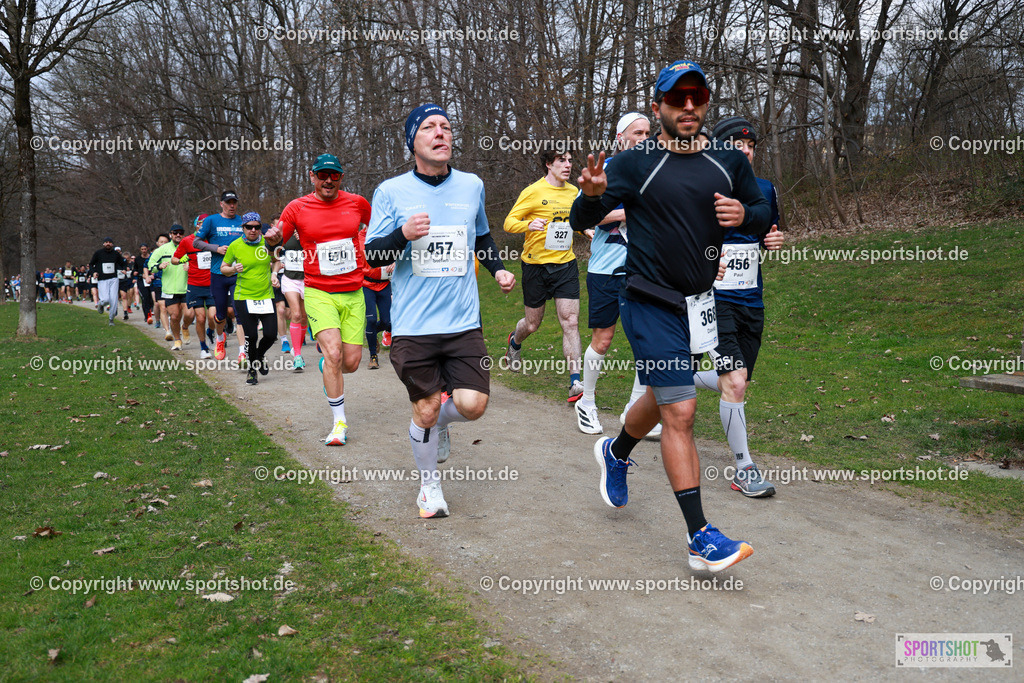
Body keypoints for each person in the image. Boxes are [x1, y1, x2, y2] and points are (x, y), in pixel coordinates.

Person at [569, 60, 772, 573]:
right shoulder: (635, 163)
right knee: (681, 410)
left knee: (664, 400)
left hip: (702, 304)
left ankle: (615, 452)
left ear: (706, 103)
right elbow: (583, 219)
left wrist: (746, 216)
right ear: (657, 104)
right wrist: (591, 196)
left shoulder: (729, 161)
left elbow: (762, 208)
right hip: (647, 300)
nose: (688, 106)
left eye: (696, 98)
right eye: (677, 98)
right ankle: (700, 538)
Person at [365, 103, 516, 518]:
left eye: (446, 126)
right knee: (426, 407)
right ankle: (429, 486)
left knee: (473, 405)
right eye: (429, 127)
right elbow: (373, 252)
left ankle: (441, 424)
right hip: (414, 325)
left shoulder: (471, 185)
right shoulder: (391, 191)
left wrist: (499, 270)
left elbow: (481, 235)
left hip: (463, 321)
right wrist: (403, 233)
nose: (440, 133)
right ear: (413, 142)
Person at [685, 116, 786, 498]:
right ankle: (744, 468)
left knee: (738, 382)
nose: (745, 151)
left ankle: (671, 381)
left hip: (751, 299)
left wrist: (772, 243)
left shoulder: (764, 189)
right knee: (736, 381)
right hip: (713, 298)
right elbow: (685, 240)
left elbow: (768, 233)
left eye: (751, 146)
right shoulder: (703, 190)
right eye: (737, 146)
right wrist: (706, 261)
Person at [264, 154, 370, 445]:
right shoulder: (297, 207)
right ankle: (339, 424)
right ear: (312, 176)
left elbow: (376, 231)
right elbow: (276, 239)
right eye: (322, 175)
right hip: (319, 292)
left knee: (351, 362)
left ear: (341, 177)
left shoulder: (358, 204)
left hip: (353, 293)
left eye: (334, 175)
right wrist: (272, 238)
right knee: (333, 353)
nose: (328, 180)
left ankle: (328, 369)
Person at [574, 112, 661, 437]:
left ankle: (634, 408)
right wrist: (628, 212)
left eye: (648, 132)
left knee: (647, 341)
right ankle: (588, 402)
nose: (644, 137)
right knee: (604, 338)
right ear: (620, 138)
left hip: (644, 269)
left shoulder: (655, 170)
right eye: (637, 132)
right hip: (606, 268)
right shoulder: (606, 170)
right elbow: (588, 214)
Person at [503, 149, 585, 402]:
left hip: (565, 265)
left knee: (570, 322)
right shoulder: (533, 192)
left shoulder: (574, 193)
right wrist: (528, 224)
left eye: (570, 160)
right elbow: (509, 223)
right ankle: (515, 343)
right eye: (562, 160)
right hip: (535, 267)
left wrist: (585, 230)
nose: (568, 165)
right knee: (532, 324)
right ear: (549, 165)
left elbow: (574, 221)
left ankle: (575, 382)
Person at [223, 212, 278, 385]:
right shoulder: (235, 245)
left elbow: (277, 260)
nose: (253, 230)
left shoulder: (267, 242)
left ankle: (260, 355)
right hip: (243, 296)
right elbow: (223, 267)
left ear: (261, 227)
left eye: (256, 227)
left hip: (266, 295)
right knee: (251, 336)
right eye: (249, 227)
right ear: (243, 228)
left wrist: (274, 274)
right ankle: (252, 370)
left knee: (270, 334)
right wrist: (233, 269)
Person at [194, 191, 245, 361]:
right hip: (218, 273)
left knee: (239, 313)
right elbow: (197, 242)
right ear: (221, 203)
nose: (232, 205)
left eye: (234, 202)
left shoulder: (242, 221)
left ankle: (242, 352)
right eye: (228, 202)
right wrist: (216, 248)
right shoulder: (211, 220)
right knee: (221, 314)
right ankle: (220, 338)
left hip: (237, 273)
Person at [173, 214, 216, 359]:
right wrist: (180, 260)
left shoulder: (213, 239)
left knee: (213, 316)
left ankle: (210, 332)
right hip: (195, 284)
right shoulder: (187, 241)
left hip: (213, 284)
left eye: (206, 224)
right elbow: (175, 258)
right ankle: (204, 347)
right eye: (200, 223)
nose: (203, 226)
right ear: (196, 225)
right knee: (200, 317)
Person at [272, 224, 308, 372]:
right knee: (297, 314)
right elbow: (278, 259)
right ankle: (297, 355)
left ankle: (297, 347)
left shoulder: (311, 234)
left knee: (305, 316)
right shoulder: (285, 237)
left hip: (307, 280)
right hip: (290, 279)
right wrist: (274, 274)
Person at [359, 224, 394, 370]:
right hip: (366, 284)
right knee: (371, 319)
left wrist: (395, 262)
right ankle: (373, 355)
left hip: (385, 284)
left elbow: (400, 251)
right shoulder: (358, 238)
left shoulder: (388, 235)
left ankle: (373, 334)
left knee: (387, 322)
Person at [148, 226, 188, 350]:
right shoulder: (163, 249)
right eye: (175, 233)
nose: (178, 235)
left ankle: (185, 327)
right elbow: (151, 265)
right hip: (170, 288)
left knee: (189, 314)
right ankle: (177, 340)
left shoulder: (188, 247)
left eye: (181, 233)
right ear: (170, 234)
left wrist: (190, 265)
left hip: (187, 287)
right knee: (175, 316)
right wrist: (159, 266)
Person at [89, 237, 127, 324]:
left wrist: (124, 269)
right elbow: (91, 264)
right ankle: (101, 304)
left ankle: (111, 319)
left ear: (112, 244)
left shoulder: (116, 254)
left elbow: (123, 263)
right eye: (106, 242)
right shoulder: (98, 253)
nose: (108, 244)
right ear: (103, 244)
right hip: (102, 279)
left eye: (110, 242)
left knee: (113, 299)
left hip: (113, 279)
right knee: (106, 299)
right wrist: (94, 272)